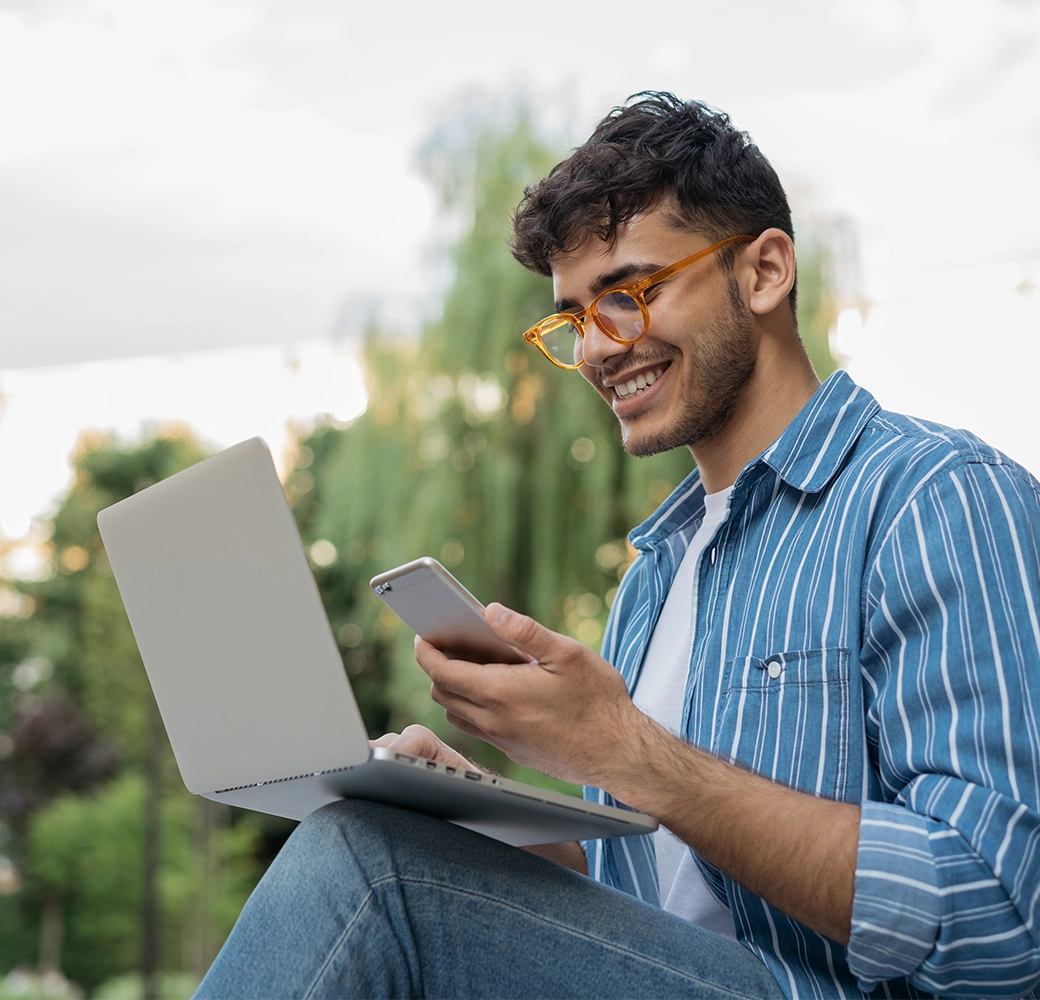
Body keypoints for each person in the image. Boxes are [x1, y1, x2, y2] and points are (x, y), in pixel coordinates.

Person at [193, 93, 1040, 1000]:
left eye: (631, 294)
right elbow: (656, 910)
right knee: (390, 838)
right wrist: (485, 817)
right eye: (575, 316)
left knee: (368, 863)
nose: (599, 347)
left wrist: (625, 750)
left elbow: (1002, 916)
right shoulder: (655, 577)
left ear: (764, 272)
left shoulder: (937, 496)